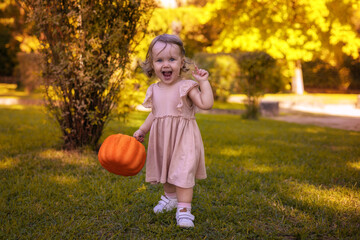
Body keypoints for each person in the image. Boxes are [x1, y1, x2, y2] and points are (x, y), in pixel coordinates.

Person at [133, 34, 213, 228]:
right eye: (159, 60)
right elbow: (156, 113)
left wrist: (203, 83)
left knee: (183, 172)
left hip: (184, 139)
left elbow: (206, 103)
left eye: (171, 59)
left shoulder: (186, 86)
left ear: (181, 62)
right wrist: (143, 129)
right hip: (163, 139)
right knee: (166, 169)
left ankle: (184, 210)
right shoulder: (154, 89)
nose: (165, 64)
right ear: (152, 64)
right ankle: (171, 198)